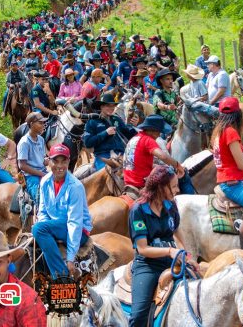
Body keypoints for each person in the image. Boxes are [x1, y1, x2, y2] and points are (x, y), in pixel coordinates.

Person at [128, 165, 189, 327]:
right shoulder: (138, 210)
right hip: (148, 265)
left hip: (172, 260)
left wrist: (185, 253)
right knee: (138, 314)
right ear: (161, 187)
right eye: (174, 186)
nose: (177, 190)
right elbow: (143, 248)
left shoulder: (171, 205)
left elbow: (176, 230)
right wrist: (170, 251)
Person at [32, 144, 93, 280]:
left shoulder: (75, 187)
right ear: (49, 161)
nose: (59, 166)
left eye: (63, 161)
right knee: (41, 231)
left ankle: (62, 276)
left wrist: (70, 257)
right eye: (55, 161)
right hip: (56, 226)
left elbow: (74, 223)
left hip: (77, 230)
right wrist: (46, 226)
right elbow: (42, 211)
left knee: (38, 229)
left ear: (68, 161)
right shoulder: (45, 181)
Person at [123, 115, 195, 196]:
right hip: (140, 182)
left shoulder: (134, 138)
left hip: (128, 179)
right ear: (153, 130)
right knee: (184, 176)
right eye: (159, 131)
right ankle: (187, 200)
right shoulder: (148, 140)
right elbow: (163, 156)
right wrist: (178, 166)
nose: (159, 135)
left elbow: (136, 162)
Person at [83, 93, 138, 171]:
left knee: (136, 171)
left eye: (113, 106)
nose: (111, 108)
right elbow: (88, 143)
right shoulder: (92, 122)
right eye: (108, 106)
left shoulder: (116, 119)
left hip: (121, 154)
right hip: (103, 156)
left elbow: (130, 136)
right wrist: (105, 133)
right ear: (101, 107)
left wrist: (134, 126)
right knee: (108, 174)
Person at [17, 112, 48, 203]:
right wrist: (42, 174)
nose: (43, 125)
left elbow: (42, 159)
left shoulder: (41, 139)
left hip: (43, 172)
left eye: (43, 123)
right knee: (40, 199)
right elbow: (22, 165)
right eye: (40, 123)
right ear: (31, 124)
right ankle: (38, 216)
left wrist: (46, 161)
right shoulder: (24, 142)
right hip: (31, 176)